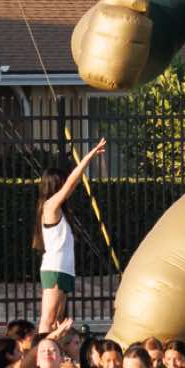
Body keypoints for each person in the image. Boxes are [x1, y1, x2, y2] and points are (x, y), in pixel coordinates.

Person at [35, 138, 107, 332]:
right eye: (62, 183)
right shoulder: (50, 206)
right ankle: (42, 349)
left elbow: (72, 184)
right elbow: (71, 182)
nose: (67, 187)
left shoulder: (59, 210)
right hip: (55, 269)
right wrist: (89, 156)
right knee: (48, 320)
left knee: (58, 321)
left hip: (65, 269)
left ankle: (56, 348)